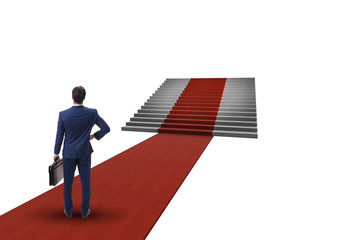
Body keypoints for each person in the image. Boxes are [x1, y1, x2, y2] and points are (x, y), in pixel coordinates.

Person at [53, 86, 110, 218]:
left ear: (72, 97)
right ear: (84, 97)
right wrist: (94, 136)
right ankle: (85, 211)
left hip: (68, 154)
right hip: (84, 153)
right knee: (85, 183)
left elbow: (59, 136)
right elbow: (106, 128)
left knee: (67, 184)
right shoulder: (92, 113)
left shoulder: (63, 114)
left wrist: (56, 153)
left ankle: (68, 211)